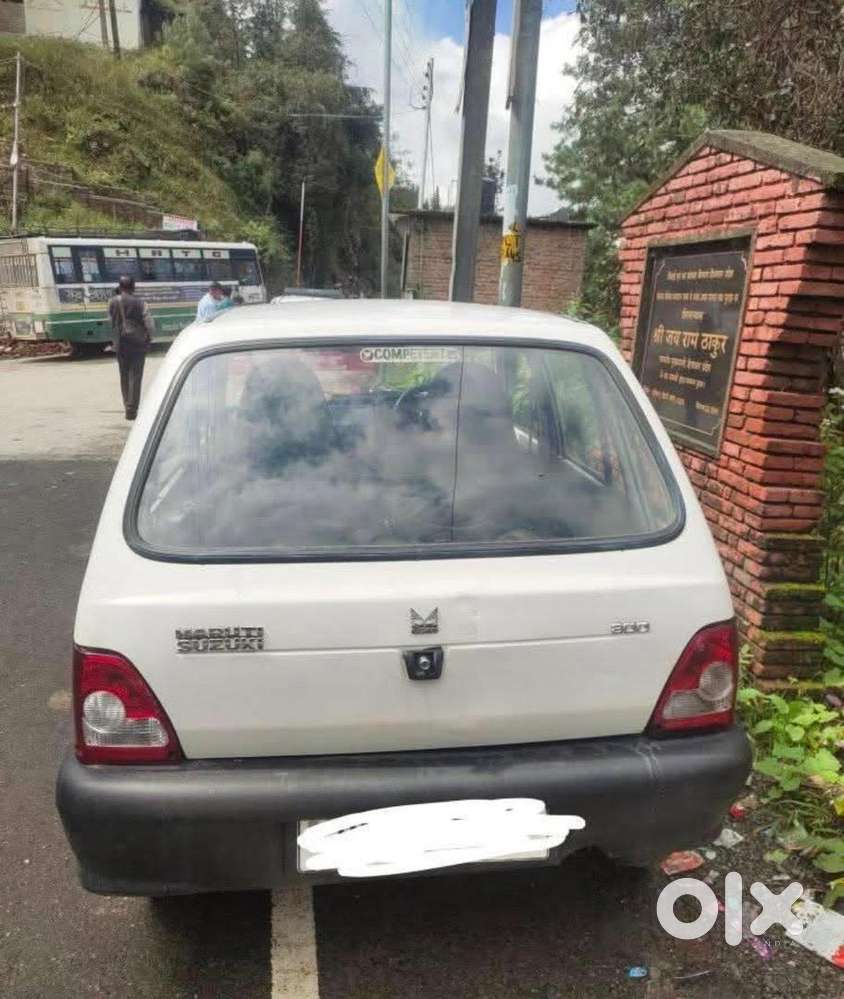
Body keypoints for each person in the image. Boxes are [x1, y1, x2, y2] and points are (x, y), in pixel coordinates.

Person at [109, 275, 154, 421]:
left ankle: (126, 405)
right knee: (135, 376)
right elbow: (149, 324)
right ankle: (132, 409)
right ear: (133, 287)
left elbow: (111, 320)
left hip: (120, 344)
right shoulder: (141, 303)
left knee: (124, 375)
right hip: (138, 344)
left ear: (120, 286)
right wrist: (150, 337)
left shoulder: (112, 302)